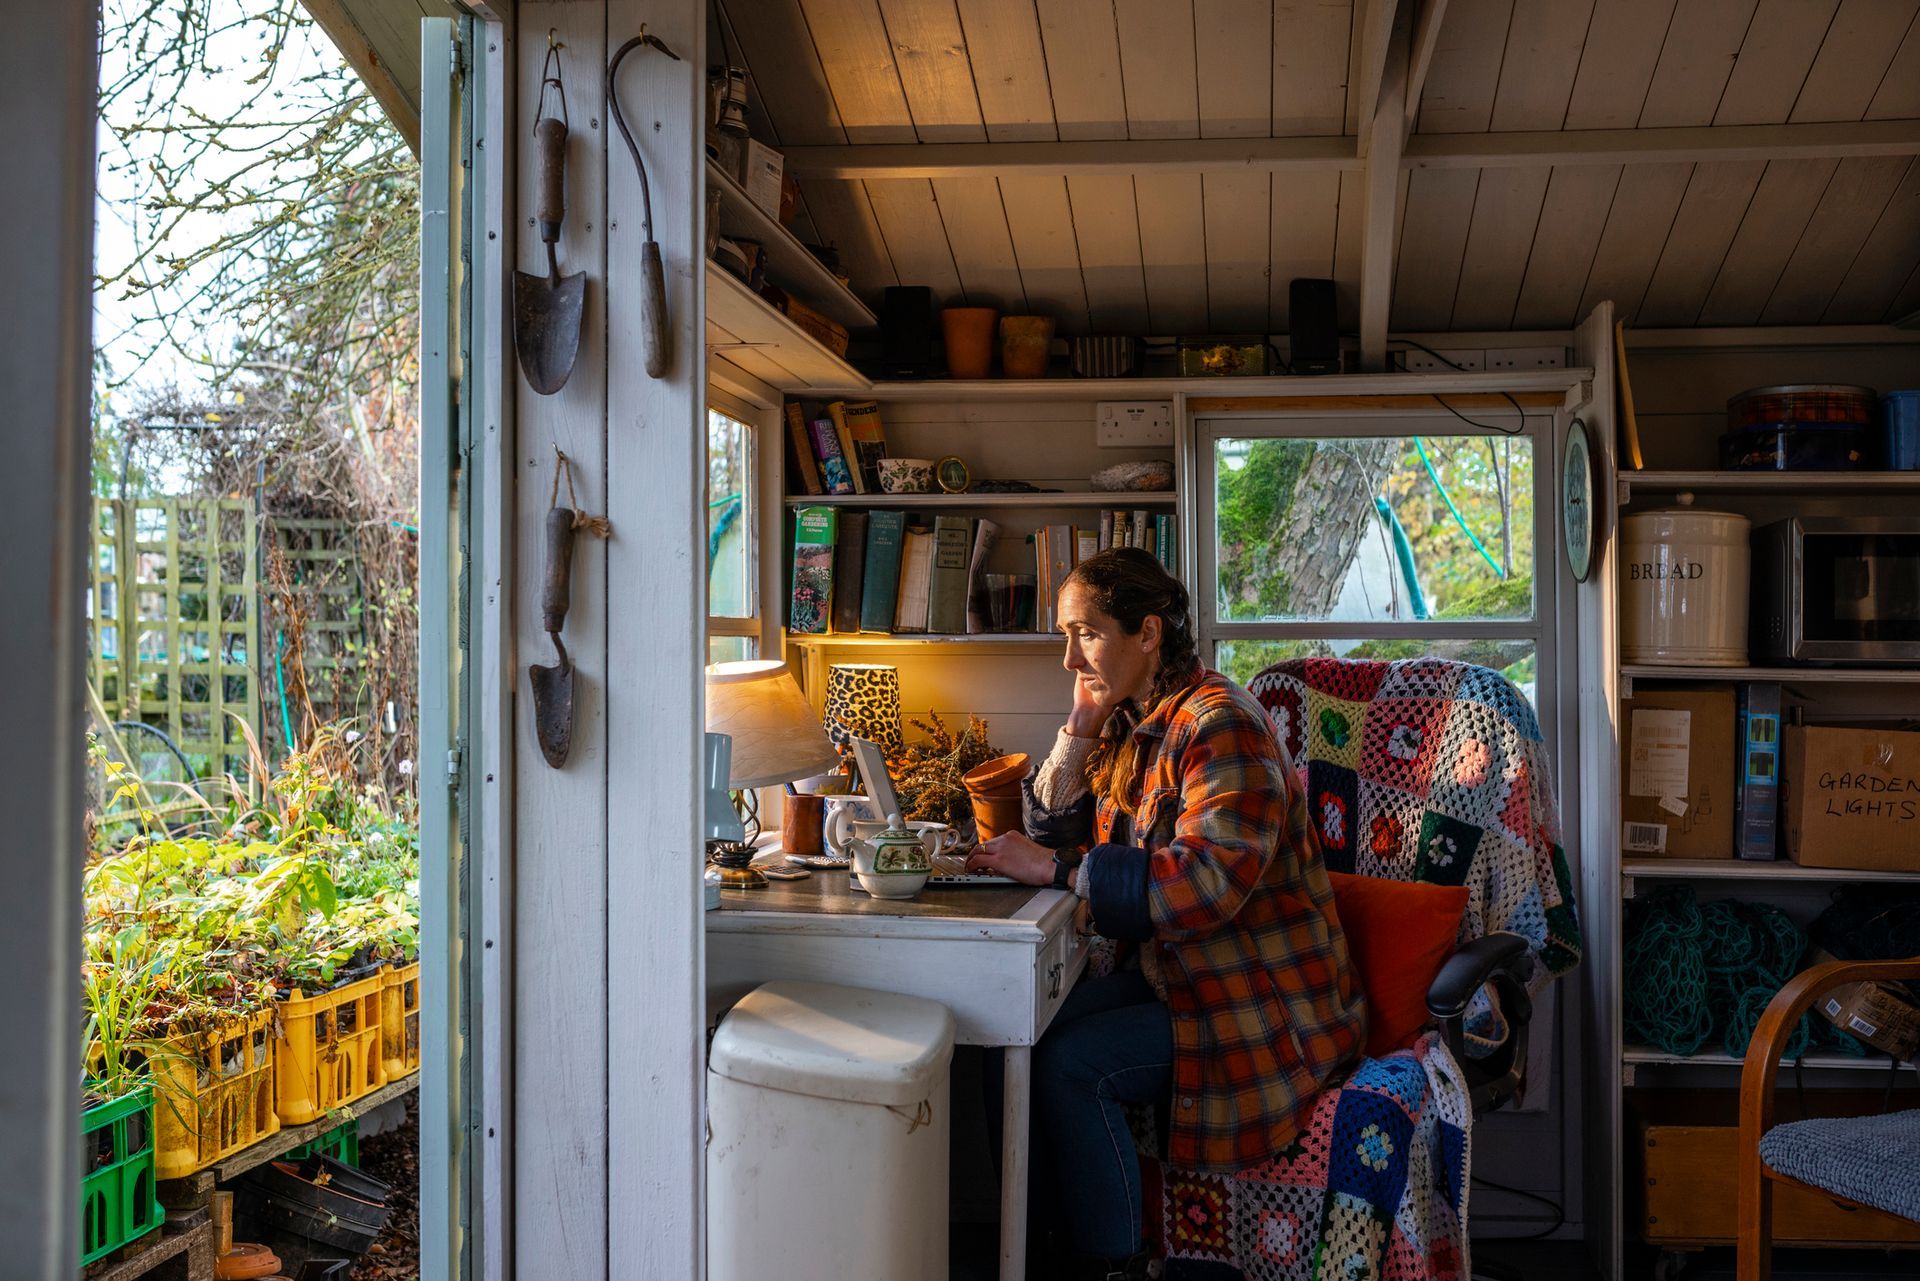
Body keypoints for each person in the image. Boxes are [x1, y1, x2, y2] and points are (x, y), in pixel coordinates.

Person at [965, 547, 1366, 1279]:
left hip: (1254, 1000)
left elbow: (1204, 884)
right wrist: (1082, 725)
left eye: (1083, 632)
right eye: (1064, 634)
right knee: (1012, 1043)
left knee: (1068, 1067)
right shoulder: (1137, 716)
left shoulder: (1219, 725)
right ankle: (1036, 1253)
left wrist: (1056, 870)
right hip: (1176, 976)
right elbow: (1061, 824)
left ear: (1148, 633)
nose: (1066, 656)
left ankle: (1115, 1264)